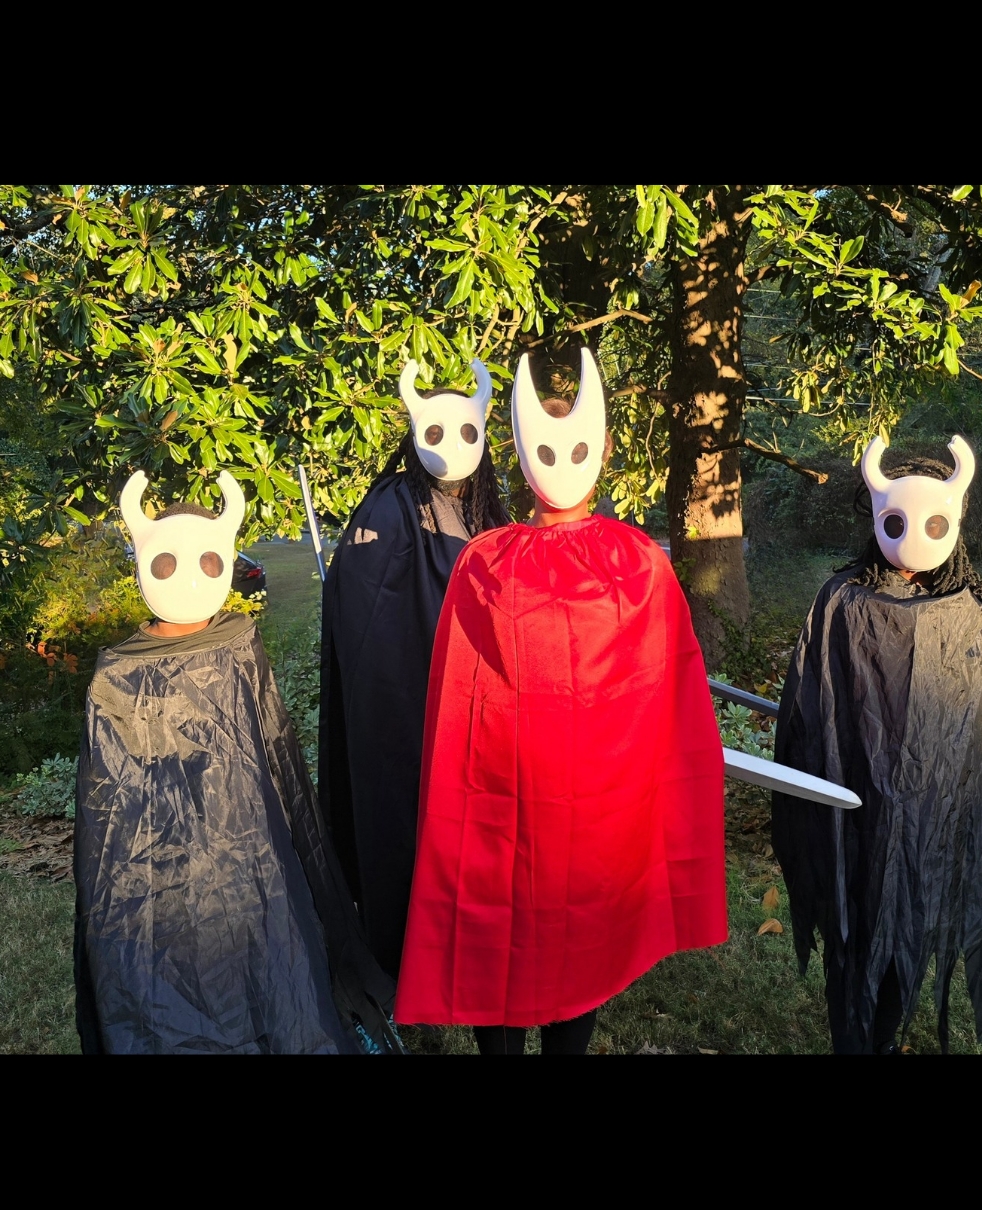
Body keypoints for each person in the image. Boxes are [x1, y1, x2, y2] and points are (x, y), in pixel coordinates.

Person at [393, 348, 728, 1054]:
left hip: (508, 810)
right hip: (596, 816)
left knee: (507, 932)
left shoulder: (485, 561)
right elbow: (665, 694)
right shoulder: (639, 562)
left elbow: (458, 702)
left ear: (521, 463)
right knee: (582, 943)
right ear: (603, 454)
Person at [74, 470, 398, 1054]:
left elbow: (271, 750)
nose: (187, 578)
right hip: (162, 874)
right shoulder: (119, 675)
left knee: (267, 960)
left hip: (251, 850)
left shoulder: (237, 644)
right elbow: (110, 814)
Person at [771, 436, 982, 1054]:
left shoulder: (971, 612)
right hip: (856, 812)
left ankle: (883, 1029)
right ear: (879, 519)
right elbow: (811, 709)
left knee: (910, 934)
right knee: (856, 934)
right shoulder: (843, 602)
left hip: (934, 818)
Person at [319, 360, 509, 978]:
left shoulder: (488, 508)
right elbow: (365, 611)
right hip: (407, 707)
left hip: (477, 708)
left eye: (466, 432)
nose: (451, 448)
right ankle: (405, 954)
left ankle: (468, 942)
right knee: (404, 824)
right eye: (436, 432)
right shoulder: (389, 508)